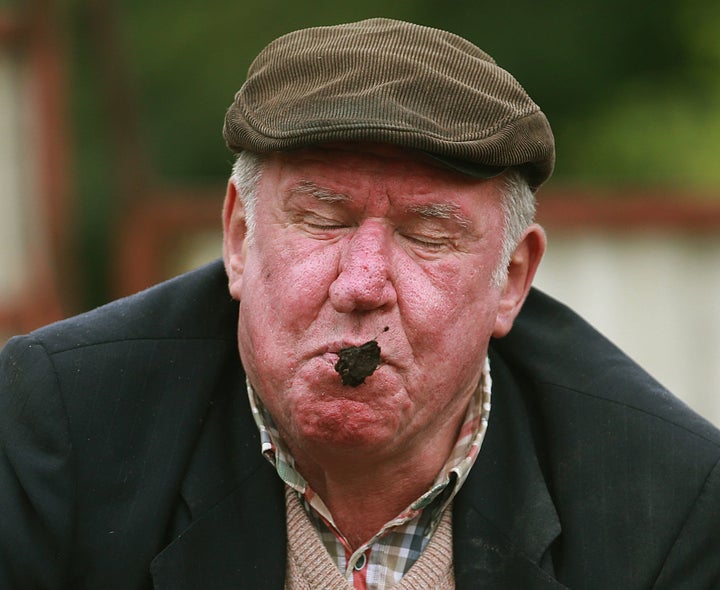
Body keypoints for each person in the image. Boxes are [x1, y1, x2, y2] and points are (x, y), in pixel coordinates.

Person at [1, 18, 719, 590]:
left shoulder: (667, 501)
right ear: (240, 237)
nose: (363, 284)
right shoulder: (59, 423)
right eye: (323, 219)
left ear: (511, 280)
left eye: (428, 235)